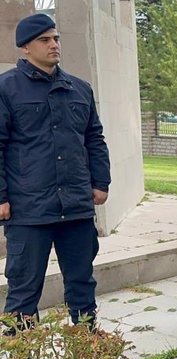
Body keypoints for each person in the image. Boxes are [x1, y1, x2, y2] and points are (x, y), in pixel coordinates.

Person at [0, 13, 110, 330]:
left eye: (56, 38)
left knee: (82, 285)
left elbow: (94, 138)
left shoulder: (80, 89)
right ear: (25, 47)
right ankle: (23, 355)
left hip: (75, 206)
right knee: (23, 291)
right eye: (45, 40)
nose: (54, 45)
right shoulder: (6, 89)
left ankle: (85, 349)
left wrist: (101, 181)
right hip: (29, 209)